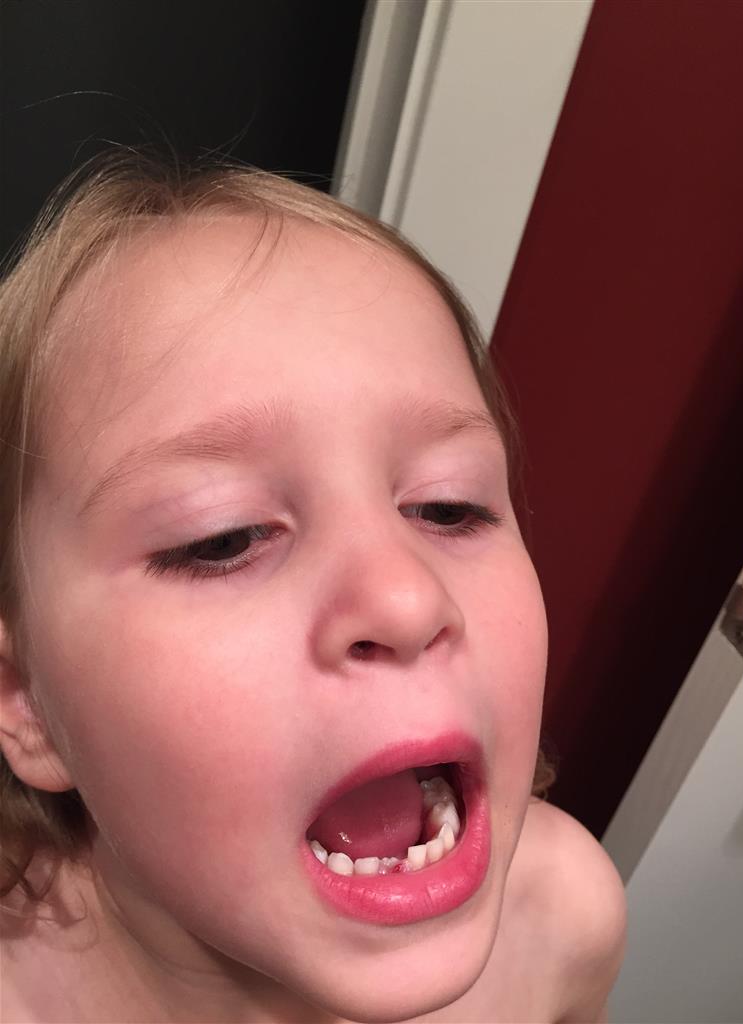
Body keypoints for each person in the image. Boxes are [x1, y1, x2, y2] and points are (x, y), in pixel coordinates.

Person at [0, 150, 626, 1024]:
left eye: (449, 507)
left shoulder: (563, 919)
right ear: (25, 698)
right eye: (221, 538)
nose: (407, 599)